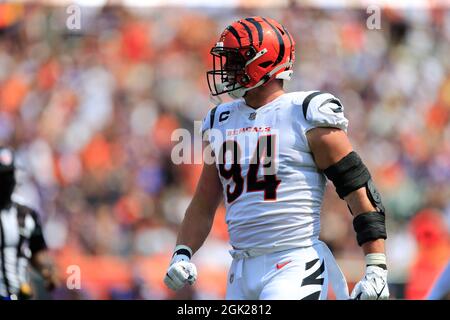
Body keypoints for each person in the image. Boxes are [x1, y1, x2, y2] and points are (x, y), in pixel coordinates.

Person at [164, 16, 389, 300]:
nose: (227, 68)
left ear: (263, 62)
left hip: (293, 263)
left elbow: (359, 189)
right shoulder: (220, 120)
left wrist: (376, 266)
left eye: (235, 60)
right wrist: (182, 252)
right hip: (240, 269)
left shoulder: (304, 113)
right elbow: (203, 204)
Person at [0, 147, 59, 300]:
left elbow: (37, 250)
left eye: (9, 176)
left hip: (20, 293)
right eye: (1, 177)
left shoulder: (26, 214)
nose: (6, 182)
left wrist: (47, 269)